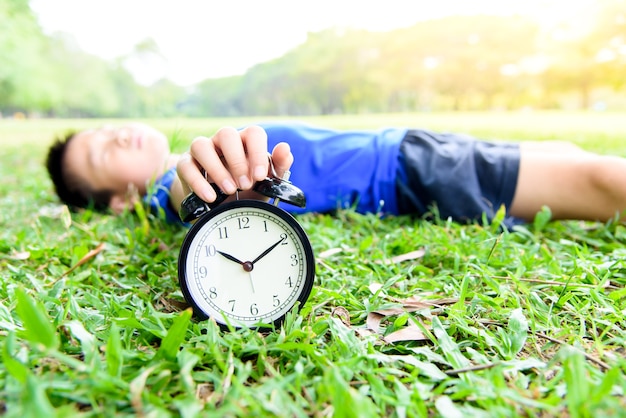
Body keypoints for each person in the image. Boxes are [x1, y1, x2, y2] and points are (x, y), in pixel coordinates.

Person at [45, 121, 626, 229]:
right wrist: (201, 185)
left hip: (410, 145)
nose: (116, 135)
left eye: (105, 129)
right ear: (120, 201)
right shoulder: (178, 185)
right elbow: (185, 196)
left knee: (566, 151)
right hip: (412, 171)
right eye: (101, 154)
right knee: (603, 180)